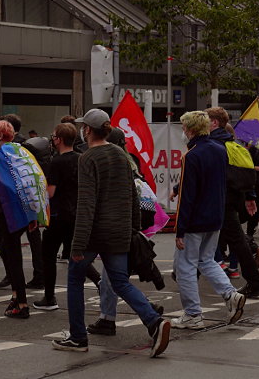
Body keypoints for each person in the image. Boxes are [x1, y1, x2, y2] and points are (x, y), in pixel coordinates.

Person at [52, 109, 171, 357]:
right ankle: (154, 322)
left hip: (95, 232)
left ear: (87, 131)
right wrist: (134, 229)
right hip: (119, 231)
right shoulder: (120, 154)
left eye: (83, 127)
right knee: (120, 282)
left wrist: (77, 245)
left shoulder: (88, 158)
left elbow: (87, 204)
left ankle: (78, 337)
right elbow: (132, 194)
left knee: (75, 278)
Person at [172, 110, 246, 330]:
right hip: (215, 216)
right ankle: (230, 294)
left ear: (192, 129)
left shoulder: (191, 155)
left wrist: (179, 229)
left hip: (194, 220)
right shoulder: (218, 150)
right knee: (207, 260)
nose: (183, 131)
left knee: (185, 266)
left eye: (184, 127)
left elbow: (187, 194)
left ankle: (193, 314)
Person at [33, 123, 100, 312]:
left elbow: (51, 192)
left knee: (48, 255)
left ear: (59, 140)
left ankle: (49, 297)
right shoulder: (81, 158)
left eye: (54, 137)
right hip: (76, 214)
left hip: (58, 214)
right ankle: (99, 281)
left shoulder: (57, 162)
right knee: (75, 254)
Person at [206, 108, 259, 298]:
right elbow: (243, 172)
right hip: (233, 197)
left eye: (206, 120)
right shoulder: (233, 143)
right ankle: (184, 271)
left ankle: (256, 283)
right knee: (218, 238)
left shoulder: (214, 144)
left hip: (219, 198)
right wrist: (250, 196)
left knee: (229, 239)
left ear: (214, 122)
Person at [0, 120, 40, 319]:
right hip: (25, 210)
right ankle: (17, 296)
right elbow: (33, 179)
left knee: (12, 256)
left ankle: (21, 303)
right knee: (10, 253)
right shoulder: (21, 152)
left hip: (10, 212)